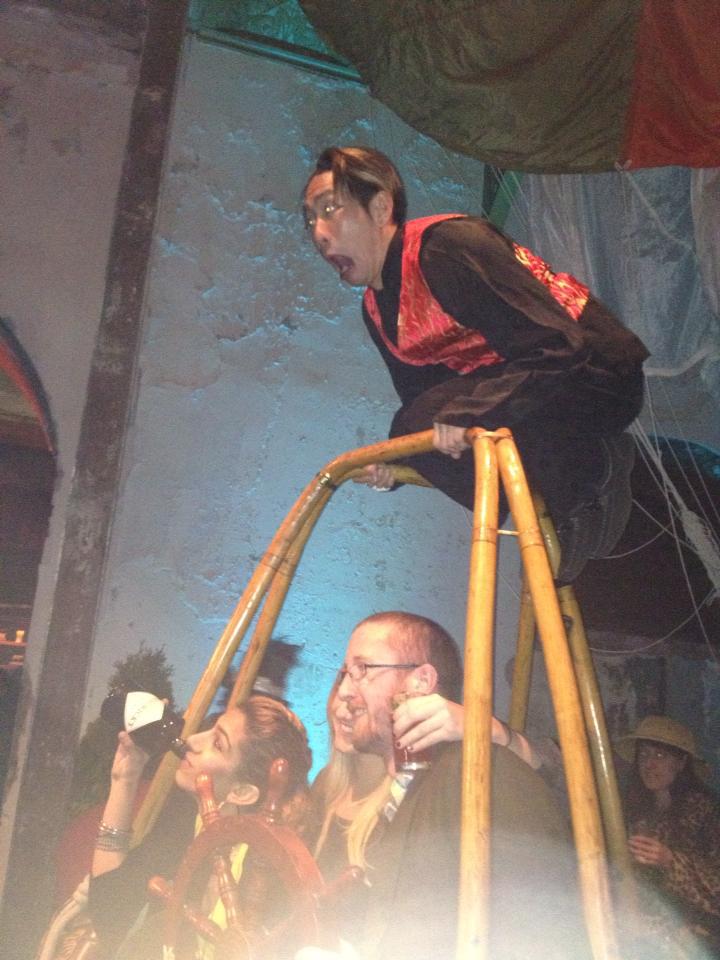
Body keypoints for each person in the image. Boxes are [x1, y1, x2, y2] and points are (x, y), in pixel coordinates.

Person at [303, 146, 649, 581]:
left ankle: (591, 467)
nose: (319, 233)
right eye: (310, 220)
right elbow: (427, 407)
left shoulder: (448, 246)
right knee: (413, 428)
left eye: (329, 210)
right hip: (532, 391)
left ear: (380, 207)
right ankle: (567, 487)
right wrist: (399, 469)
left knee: (427, 422)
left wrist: (467, 414)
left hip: (594, 373)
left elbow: (559, 346)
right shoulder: (375, 309)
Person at [299, 611, 588, 960]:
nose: (344, 690)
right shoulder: (404, 788)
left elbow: (542, 931)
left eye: (363, 670)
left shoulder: (474, 778)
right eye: (346, 672)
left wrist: (493, 732)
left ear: (421, 681)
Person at [85, 695, 313, 960]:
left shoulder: (263, 874)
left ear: (241, 792)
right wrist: (124, 780)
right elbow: (108, 913)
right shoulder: (186, 817)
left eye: (217, 744)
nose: (192, 741)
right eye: (211, 729)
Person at [616, 715, 720, 958]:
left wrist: (671, 861)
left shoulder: (706, 813)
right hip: (637, 935)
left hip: (693, 938)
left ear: (681, 762)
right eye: (644, 755)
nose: (649, 764)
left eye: (660, 756)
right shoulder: (631, 810)